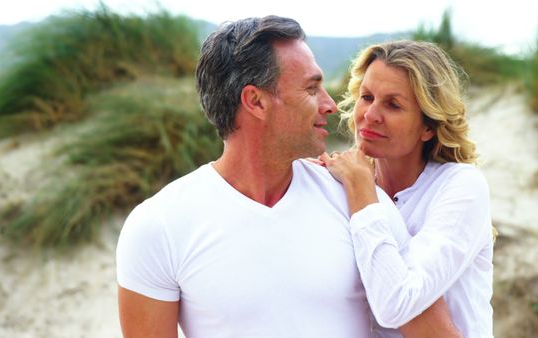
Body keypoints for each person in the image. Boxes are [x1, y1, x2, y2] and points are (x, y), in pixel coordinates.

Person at [116, 16, 458, 338]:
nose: (331, 105)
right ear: (256, 102)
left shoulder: (360, 203)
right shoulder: (158, 225)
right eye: (311, 90)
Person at [319, 40, 495, 338]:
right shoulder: (345, 183)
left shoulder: (461, 185)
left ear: (428, 126)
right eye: (367, 97)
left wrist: (363, 193)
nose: (370, 115)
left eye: (393, 104)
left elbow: (397, 304)